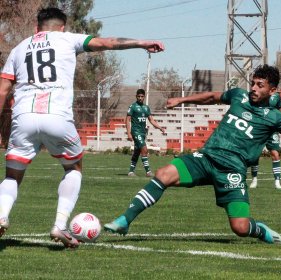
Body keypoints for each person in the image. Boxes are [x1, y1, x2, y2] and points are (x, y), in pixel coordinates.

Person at [104, 64, 281, 245]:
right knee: (164, 174)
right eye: (253, 83)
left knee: (239, 227)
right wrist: (181, 100)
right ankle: (125, 221)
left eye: (260, 85)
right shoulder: (239, 96)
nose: (254, 88)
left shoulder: (274, 117)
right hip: (206, 158)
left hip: (232, 171)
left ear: (272, 90)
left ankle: (261, 231)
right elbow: (212, 97)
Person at [0, 7, 164, 248]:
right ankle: (60, 224)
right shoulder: (69, 39)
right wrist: (141, 43)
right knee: (73, 167)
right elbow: (107, 42)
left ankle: (2, 215)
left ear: (37, 27)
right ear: (62, 27)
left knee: (13, 174)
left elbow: (3, 89)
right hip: (57, 116)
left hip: (23, 116)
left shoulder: (18, 48)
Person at [249, 92, 281, 190]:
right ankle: (254, 180)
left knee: (275, 154)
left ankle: (277, 182)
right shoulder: (255, 94)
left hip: (272, 129)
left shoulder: (276, 96)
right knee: (255, 154)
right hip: (258, 129)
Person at [126, 89, 165, 177]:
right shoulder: (133, 107)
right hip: (136, 132)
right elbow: (127, 120)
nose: (140, 98)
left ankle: (131, 172)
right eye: (138, 96)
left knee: (137, 151)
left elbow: (151, 120)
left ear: (144, 97)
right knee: (144, 149)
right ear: (136, 96)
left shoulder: (146, 108)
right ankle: (148, 172)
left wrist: (160, 127)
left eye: (142, 96)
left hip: (143, 132)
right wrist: (129, 133)